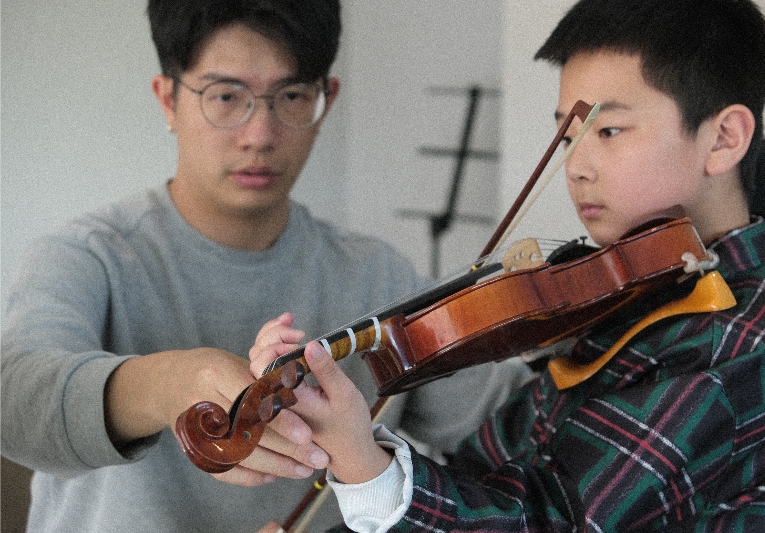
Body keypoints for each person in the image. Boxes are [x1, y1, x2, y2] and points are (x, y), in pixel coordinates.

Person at [250, 0, 765, 530]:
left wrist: (364, 465)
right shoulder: (630, 302)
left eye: (608, 131)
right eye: (568, 135)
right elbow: (485, 473)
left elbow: (554, 519)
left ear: (723, 138)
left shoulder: (740, 347)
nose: (576, 166)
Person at [0, 1, 531, 531]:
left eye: (292, 96)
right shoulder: (87, 255)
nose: (260, 134)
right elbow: (15, 401)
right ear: (168, 99)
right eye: (225, 96)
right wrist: (172, 383)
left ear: (326, 100)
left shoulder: (377, 276)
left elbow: (509, 425)